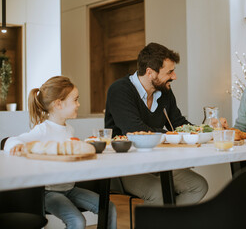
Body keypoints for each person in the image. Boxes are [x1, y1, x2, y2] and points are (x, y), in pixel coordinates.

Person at [4, 76, 117, 229]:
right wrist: (15, 145)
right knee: (77, 221)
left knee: (109, 208)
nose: (78, 104)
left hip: (70, 188)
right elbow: (12, 140)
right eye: (75, 100)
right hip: (49, 193)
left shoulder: (69, 129)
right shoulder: (43, 129)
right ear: (59, 104)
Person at [105, 42, 208, 205]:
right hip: (126, 166)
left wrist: (206, 129)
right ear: (150, 73)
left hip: (159, 163)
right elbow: (135, 131)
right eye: (170, 72)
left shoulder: (165, 91)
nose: (174, 77)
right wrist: (170, 135)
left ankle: (166, 223)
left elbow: (178, 124)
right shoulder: (120, 90)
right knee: (160, 192)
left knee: (198, 186)